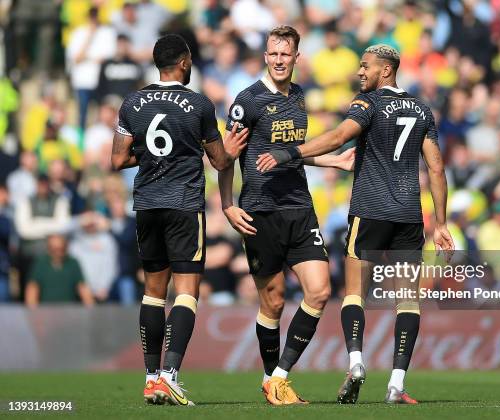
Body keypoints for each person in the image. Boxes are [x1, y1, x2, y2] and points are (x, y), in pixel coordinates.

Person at [256, 44, 454, 404]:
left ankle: (357, 362)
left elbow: (338, 136)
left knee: (353, 293)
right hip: (410, 215)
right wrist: (440, 222)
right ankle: (396, 384)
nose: (360, 72)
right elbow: (437, 168)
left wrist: (289, 153)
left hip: (370, 210)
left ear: (386, 70)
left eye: (366, 67)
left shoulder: (368, 104)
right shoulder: (422, 109)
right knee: (408, 302)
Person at [219, 25, 354, 405]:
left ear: (297, 57)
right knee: (274, 302)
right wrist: (228, 204)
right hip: (260, 211)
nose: (279, 60)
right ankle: (270, 379)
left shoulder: (299, 95)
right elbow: (228, 156)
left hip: (299, 207)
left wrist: (334, 160)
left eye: (286, 54)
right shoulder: (248, 101)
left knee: (320, 290)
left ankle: (279, 376)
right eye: (273, 54)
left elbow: (292, 149)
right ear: (266, 56)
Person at [111, 34, 247, 406]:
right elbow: (219, 162)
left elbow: (118, 161)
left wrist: (152, 156)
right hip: (184, 205)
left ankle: (151, 378)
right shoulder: (197, 104)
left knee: (153, 293)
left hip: (147, 204)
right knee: (186, 291)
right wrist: (229, 150)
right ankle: (170, 374)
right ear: (184, 62)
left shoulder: (132, 102)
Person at [24, 234, 94, 307]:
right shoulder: (41, 263)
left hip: (69, 310)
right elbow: (32, 288)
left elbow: (82, 287)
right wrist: (33, 312)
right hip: (46, 311)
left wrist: (91, 310)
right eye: (54, 249)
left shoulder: (73, 262)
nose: (58, 252)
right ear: (48, 248)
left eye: (61, 248)